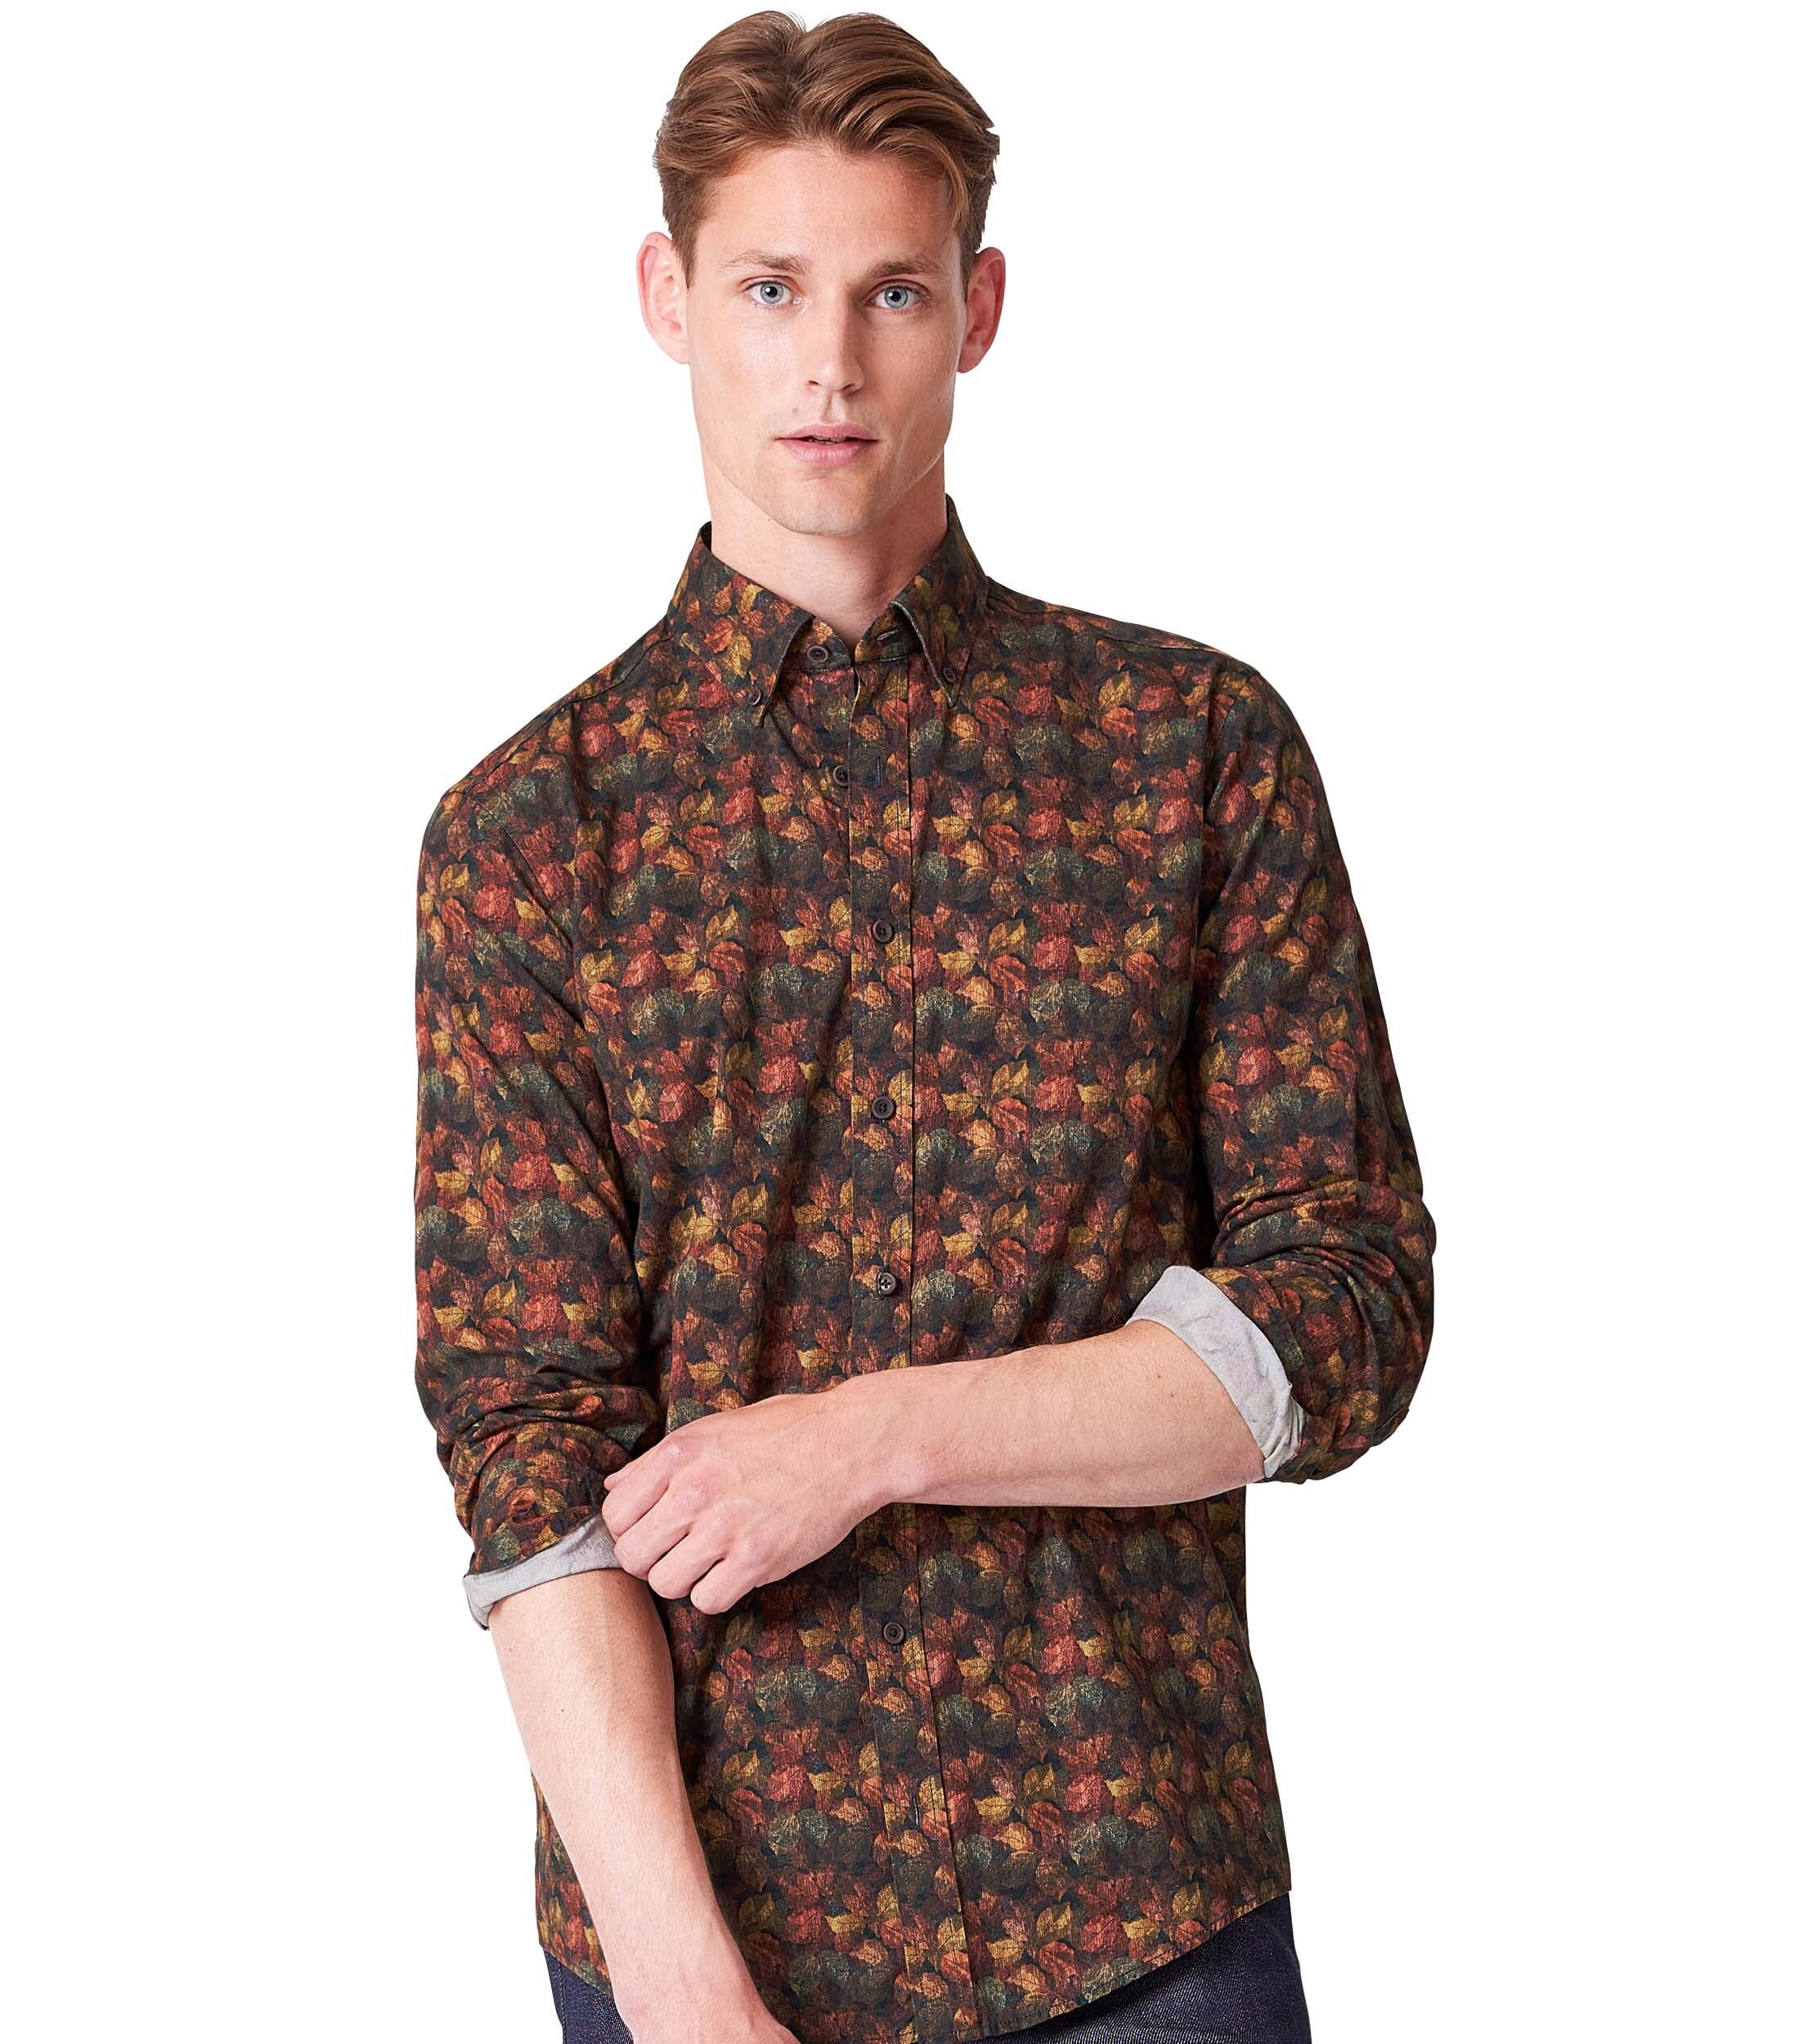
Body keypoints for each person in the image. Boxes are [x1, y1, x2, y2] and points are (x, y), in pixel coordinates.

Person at [413, 12, 1435, 2042]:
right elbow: (527, 1443)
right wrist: (684, 1987)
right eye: (767, 289)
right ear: (664, 298)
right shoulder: (527, 840)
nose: (827, 362)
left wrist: (876, 1438)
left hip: (1143, 1910)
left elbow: (1343, 1311)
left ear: (975, 309)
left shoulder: (1190, 752)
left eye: (888, 291)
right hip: (701, 1925)